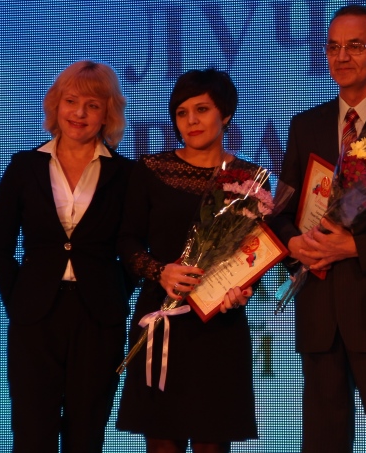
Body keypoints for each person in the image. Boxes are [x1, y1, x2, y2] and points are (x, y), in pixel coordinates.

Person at [269, 4, 366, 453]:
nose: (341, 56)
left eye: (355, 46)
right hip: (319, 312)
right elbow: (281, 210)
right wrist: (294, 242)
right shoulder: (306, 125)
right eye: (333, 47)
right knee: (323, 442)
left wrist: (355, 247)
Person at [0, 60, 134, 453]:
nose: (79, 113)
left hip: (98, 318)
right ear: (56, 105)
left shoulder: (125, 175)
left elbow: (132, 248)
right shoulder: (24, 167)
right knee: (32, 434)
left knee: (86, 435)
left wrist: (114, 294)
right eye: (71, 101)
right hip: (35, 317)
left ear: (107, 114)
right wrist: (19, 301)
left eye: (92, 105)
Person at [116, 69, 262, 453]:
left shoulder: (248, 179)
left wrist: (244, 289)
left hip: (219, 328)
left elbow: (256, 252)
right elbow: (127, 241)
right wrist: (159, 272)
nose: (191, 121)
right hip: (161, 321)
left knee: (212, 444)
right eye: (182, 113)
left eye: (202, 109)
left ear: (225, 114)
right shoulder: (151, 169)